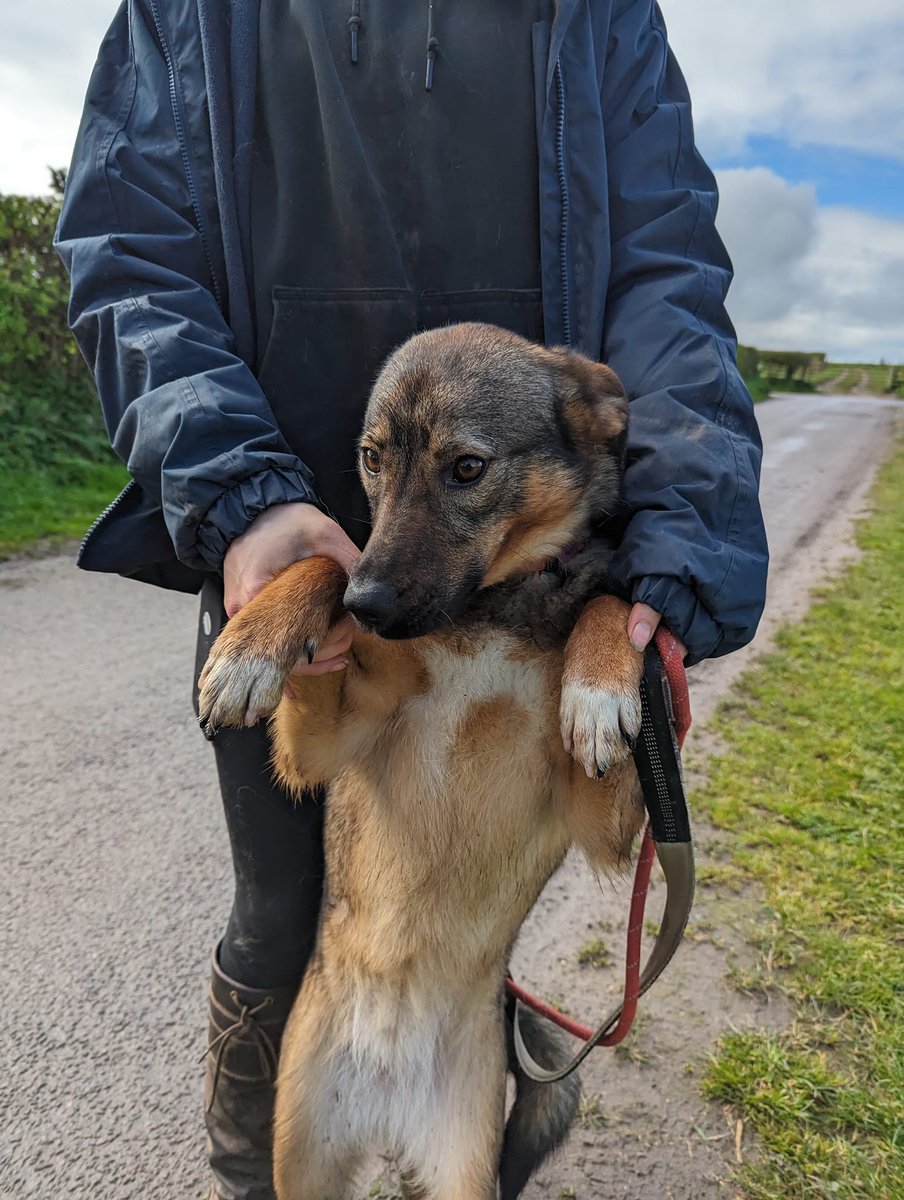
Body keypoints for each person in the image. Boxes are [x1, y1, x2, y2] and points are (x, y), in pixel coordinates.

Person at [57, 2, 768, 1196]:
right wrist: (244, 497)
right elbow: (128, 253)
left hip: (544, 563)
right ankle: (253, 1172)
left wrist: (673, 555)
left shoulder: (598, 17)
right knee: (280, 914)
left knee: (474, 909)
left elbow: (667, 274)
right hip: (295, 533)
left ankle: (485, 1114)